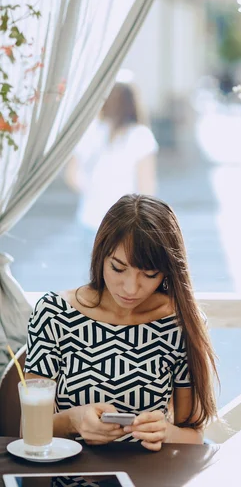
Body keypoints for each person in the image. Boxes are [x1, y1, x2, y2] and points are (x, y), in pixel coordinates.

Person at [24, 194, 218, 449]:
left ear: (167, 271)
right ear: (100, 255)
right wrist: (74, 421)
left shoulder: (179, 323)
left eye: (149, 274)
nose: (130, 288)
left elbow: (193, 436)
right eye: (118, 268)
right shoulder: (53, 314)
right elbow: (28, 429)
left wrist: (166, 433)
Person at [65, 69, 158, 237]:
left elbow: (72, 176)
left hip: (90, 218)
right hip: (125, 223)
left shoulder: (90, 131)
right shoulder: (140, 135)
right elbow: (146, 186)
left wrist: (93, 189)